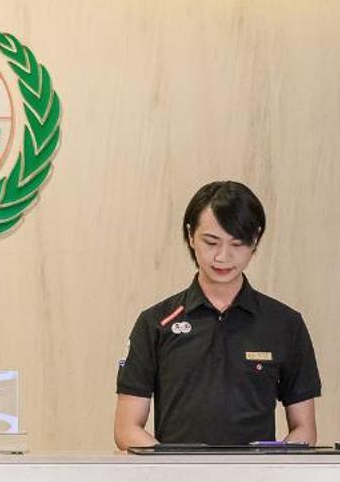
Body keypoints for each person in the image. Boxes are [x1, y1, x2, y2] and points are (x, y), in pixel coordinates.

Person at [114, 180, 319, 450]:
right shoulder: (155, 323)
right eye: (211, 242)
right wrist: (172, 467)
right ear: (190, 236)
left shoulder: (285, 324)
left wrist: (268, 466)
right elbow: (127, 429)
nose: (223, 257)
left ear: (255, 240)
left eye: (237, 244)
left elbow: (304, 429)